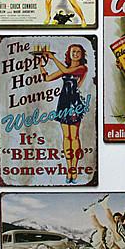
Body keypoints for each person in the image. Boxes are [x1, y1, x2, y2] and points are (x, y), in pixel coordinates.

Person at [39, 45, 89, 183]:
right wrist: (41, 66)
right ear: (69, 53)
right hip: (64, 102)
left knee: (74, 136)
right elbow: (47, 78)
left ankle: (74, 169)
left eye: (78, 52)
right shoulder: (64, 69)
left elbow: (66, 71)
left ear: (82, 55)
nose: (76, 54)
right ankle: (68, 169)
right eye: (73, 51)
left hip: (75, 102)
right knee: (66, 137)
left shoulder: (82, 68)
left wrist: (53, 57)